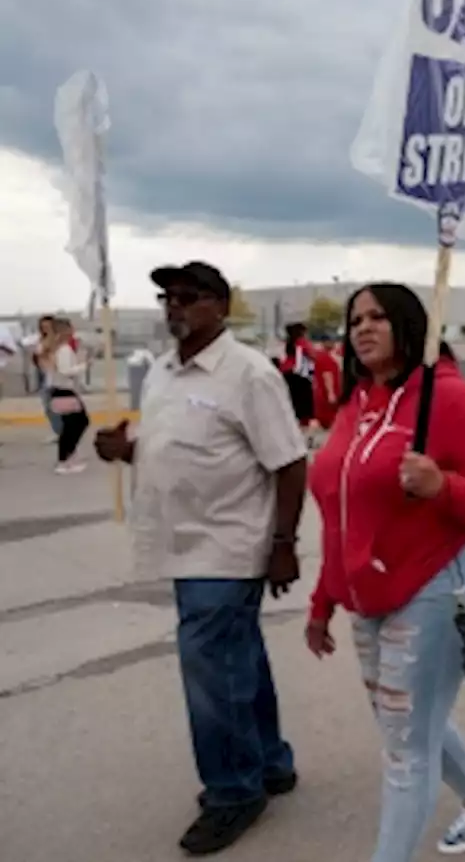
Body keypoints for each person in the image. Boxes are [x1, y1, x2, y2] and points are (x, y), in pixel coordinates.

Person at [93, 261, 308, 854]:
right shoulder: (164, 372)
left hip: (228, 547)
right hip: (182, 545)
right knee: (239, 661)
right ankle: (268, 764)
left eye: (188, 298)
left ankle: (233, 792)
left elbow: (289, 463)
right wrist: (126, 449)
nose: (174, 308)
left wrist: (284, 546)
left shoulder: (249, 375)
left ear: (220, 305)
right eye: (167, 297)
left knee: (212, 673)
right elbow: (181, 447)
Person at [306, 283, 465, 860]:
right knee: (407, 722)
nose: (363, 328)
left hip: (435, 586)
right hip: (366, 594)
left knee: (405, 746)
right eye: (355, 320)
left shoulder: (449, 399)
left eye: (378, 317)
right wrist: (322, 602)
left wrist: (441, 486)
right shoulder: (358, 403)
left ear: (409, 325)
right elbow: (339, 509)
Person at [44, 319, 90, 473]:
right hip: (64, 391)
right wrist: (84, 366)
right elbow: (65, 370)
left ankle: (68, 457)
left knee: (72, 425)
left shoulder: (59, 349)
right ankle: (64, 459)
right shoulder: (63, 349)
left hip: (61, 390)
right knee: (78, 423)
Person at [310, 335, 341, 432]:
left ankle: (311, 438)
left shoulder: (320, 356)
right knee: (331, 421)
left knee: (321, 421)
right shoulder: (326, 358)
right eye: (331, 341)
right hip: (326, 394)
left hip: (320, 393)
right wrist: (331, 393)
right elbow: (327, 376)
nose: (334, 344)